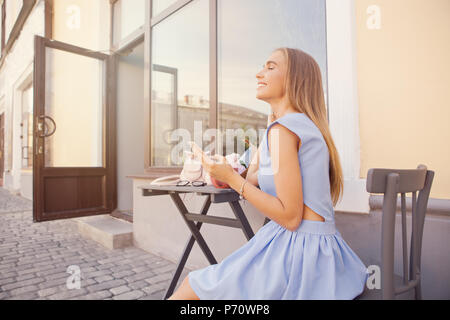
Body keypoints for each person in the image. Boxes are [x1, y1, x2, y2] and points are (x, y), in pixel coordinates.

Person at [168, 47, 368, 300]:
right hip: (317, 247)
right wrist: (230, 168)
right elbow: (251, 179)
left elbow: (290, 216)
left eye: (270, 67)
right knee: (199, 284)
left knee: (191, 288)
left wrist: (230, 178)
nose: (259, 74)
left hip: (299, 252)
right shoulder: (292, 125)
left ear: (295, 79)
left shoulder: (285, 130)